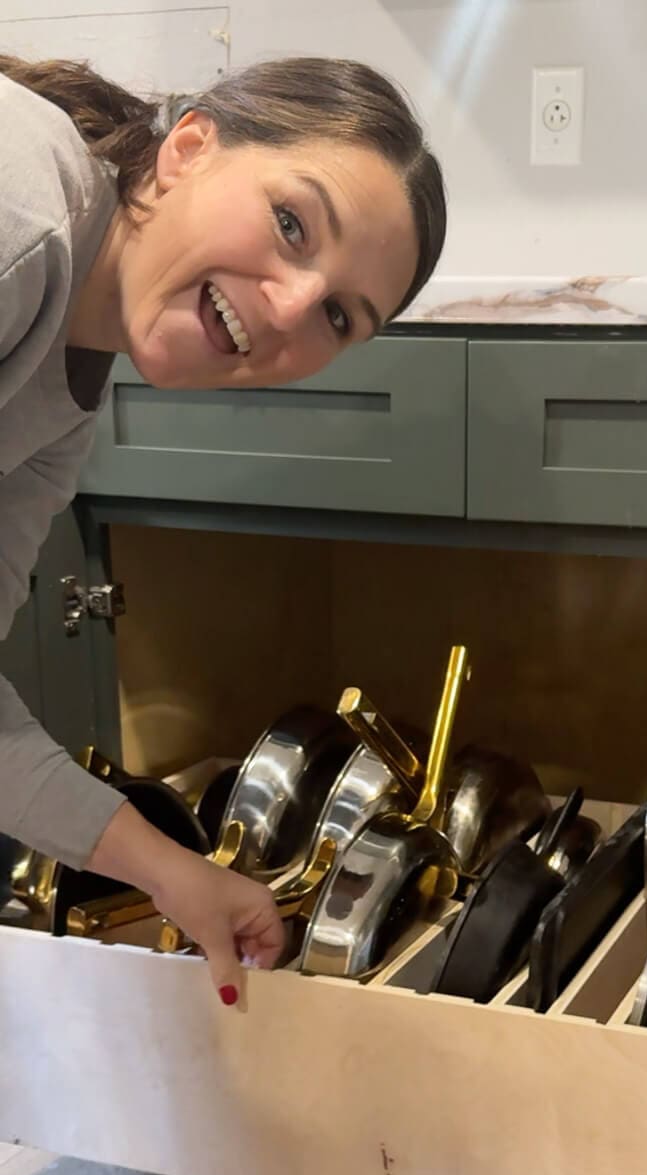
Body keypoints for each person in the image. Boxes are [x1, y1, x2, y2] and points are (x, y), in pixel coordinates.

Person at [0, 54, 446, 1001]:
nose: (289, 307)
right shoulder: (21, 208)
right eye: (292, 222)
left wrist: (175, 873)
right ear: (189, 149)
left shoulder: (60, 412)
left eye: (337, 314)